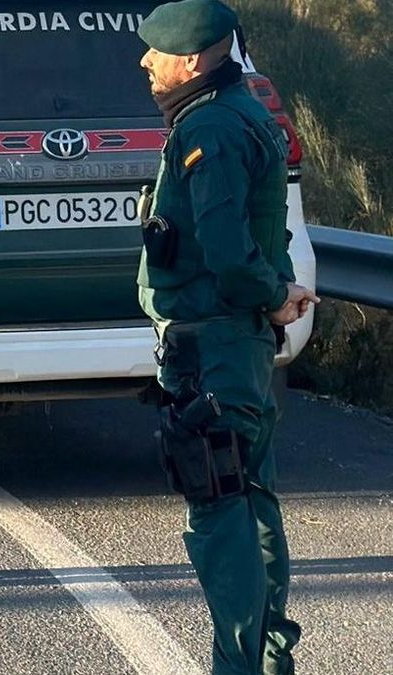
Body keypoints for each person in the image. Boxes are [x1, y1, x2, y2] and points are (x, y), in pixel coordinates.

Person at [136, 1, 317, 672]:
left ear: (191, 61)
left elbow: (226, 247)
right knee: (252, 504)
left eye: (155, 52)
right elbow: (267, 227)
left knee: (219, 516)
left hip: (213, 348)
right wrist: (280, 291)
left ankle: (237, 664)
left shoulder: (208, 125)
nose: (145, 62)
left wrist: (270, 296)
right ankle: (269, 658)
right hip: (235, 345)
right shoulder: (248, 116)